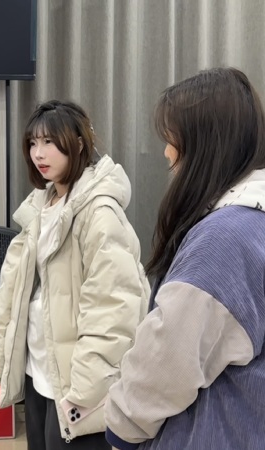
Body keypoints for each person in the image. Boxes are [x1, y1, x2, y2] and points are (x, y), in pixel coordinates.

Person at [105, 67, 265, 450]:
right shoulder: (252, 219)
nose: (166, 152)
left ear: (206, 142)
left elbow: (168, 359)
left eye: (173, 138)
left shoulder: (224, 239)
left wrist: (123, 423)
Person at [0, 100, 150, 449]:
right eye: (32, 143)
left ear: (79, 144)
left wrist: (86, 387)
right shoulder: (41, 205)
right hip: (40, 370)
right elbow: (14, 292)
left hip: (78, 382)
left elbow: (114, 309)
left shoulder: (99, 212)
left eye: (49, 142)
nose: (38, 153)